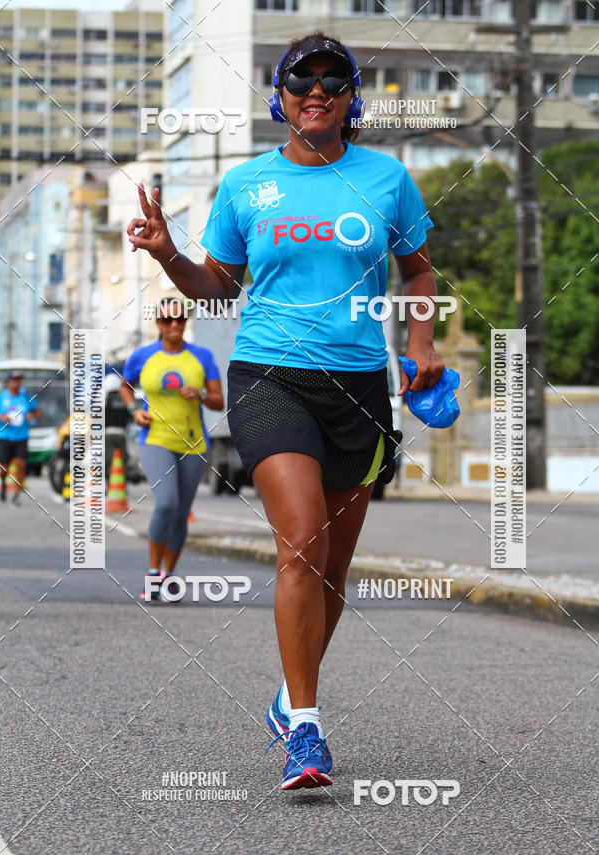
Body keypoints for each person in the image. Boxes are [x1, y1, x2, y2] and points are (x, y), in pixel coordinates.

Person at [127, 33, 445, 790]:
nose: (319, 92)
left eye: (336, 82)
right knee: (301, 542)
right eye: (305, 79)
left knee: (332, 568)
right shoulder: (246, 186)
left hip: (361, 386)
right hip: (269, 374)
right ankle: (307, 728)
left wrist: (423, 341)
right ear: (281, 96)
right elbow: (218, 290)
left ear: (351, 99)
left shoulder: (387, 178)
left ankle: (288, 695)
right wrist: (171, 254)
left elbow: (421, 268)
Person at [119, 298, 224, 603]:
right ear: (159, 324)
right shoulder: (143, 356)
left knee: (180, 512)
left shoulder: (202, 357)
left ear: (186, 321)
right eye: (168, 320)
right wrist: (133, 410)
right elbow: (126, 386)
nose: (175, 325)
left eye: (179, 319)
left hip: (194, 442)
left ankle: (169, 574)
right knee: (166, 503)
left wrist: (202, 394)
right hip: (155, 438)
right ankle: (153, 574)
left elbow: (219, 401)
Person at [0, 370, 41, 505]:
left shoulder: (26, 397)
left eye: (19, 380)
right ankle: (4, 484)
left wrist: (32, 416)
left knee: (21, 465)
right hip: (4, 436)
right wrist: (2, 417)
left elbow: (38, 413)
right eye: (14, 380)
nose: (17, 383)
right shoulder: (2, 397)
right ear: (8, 382)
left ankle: (16, 494)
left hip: (21, 437)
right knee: (4, 466)